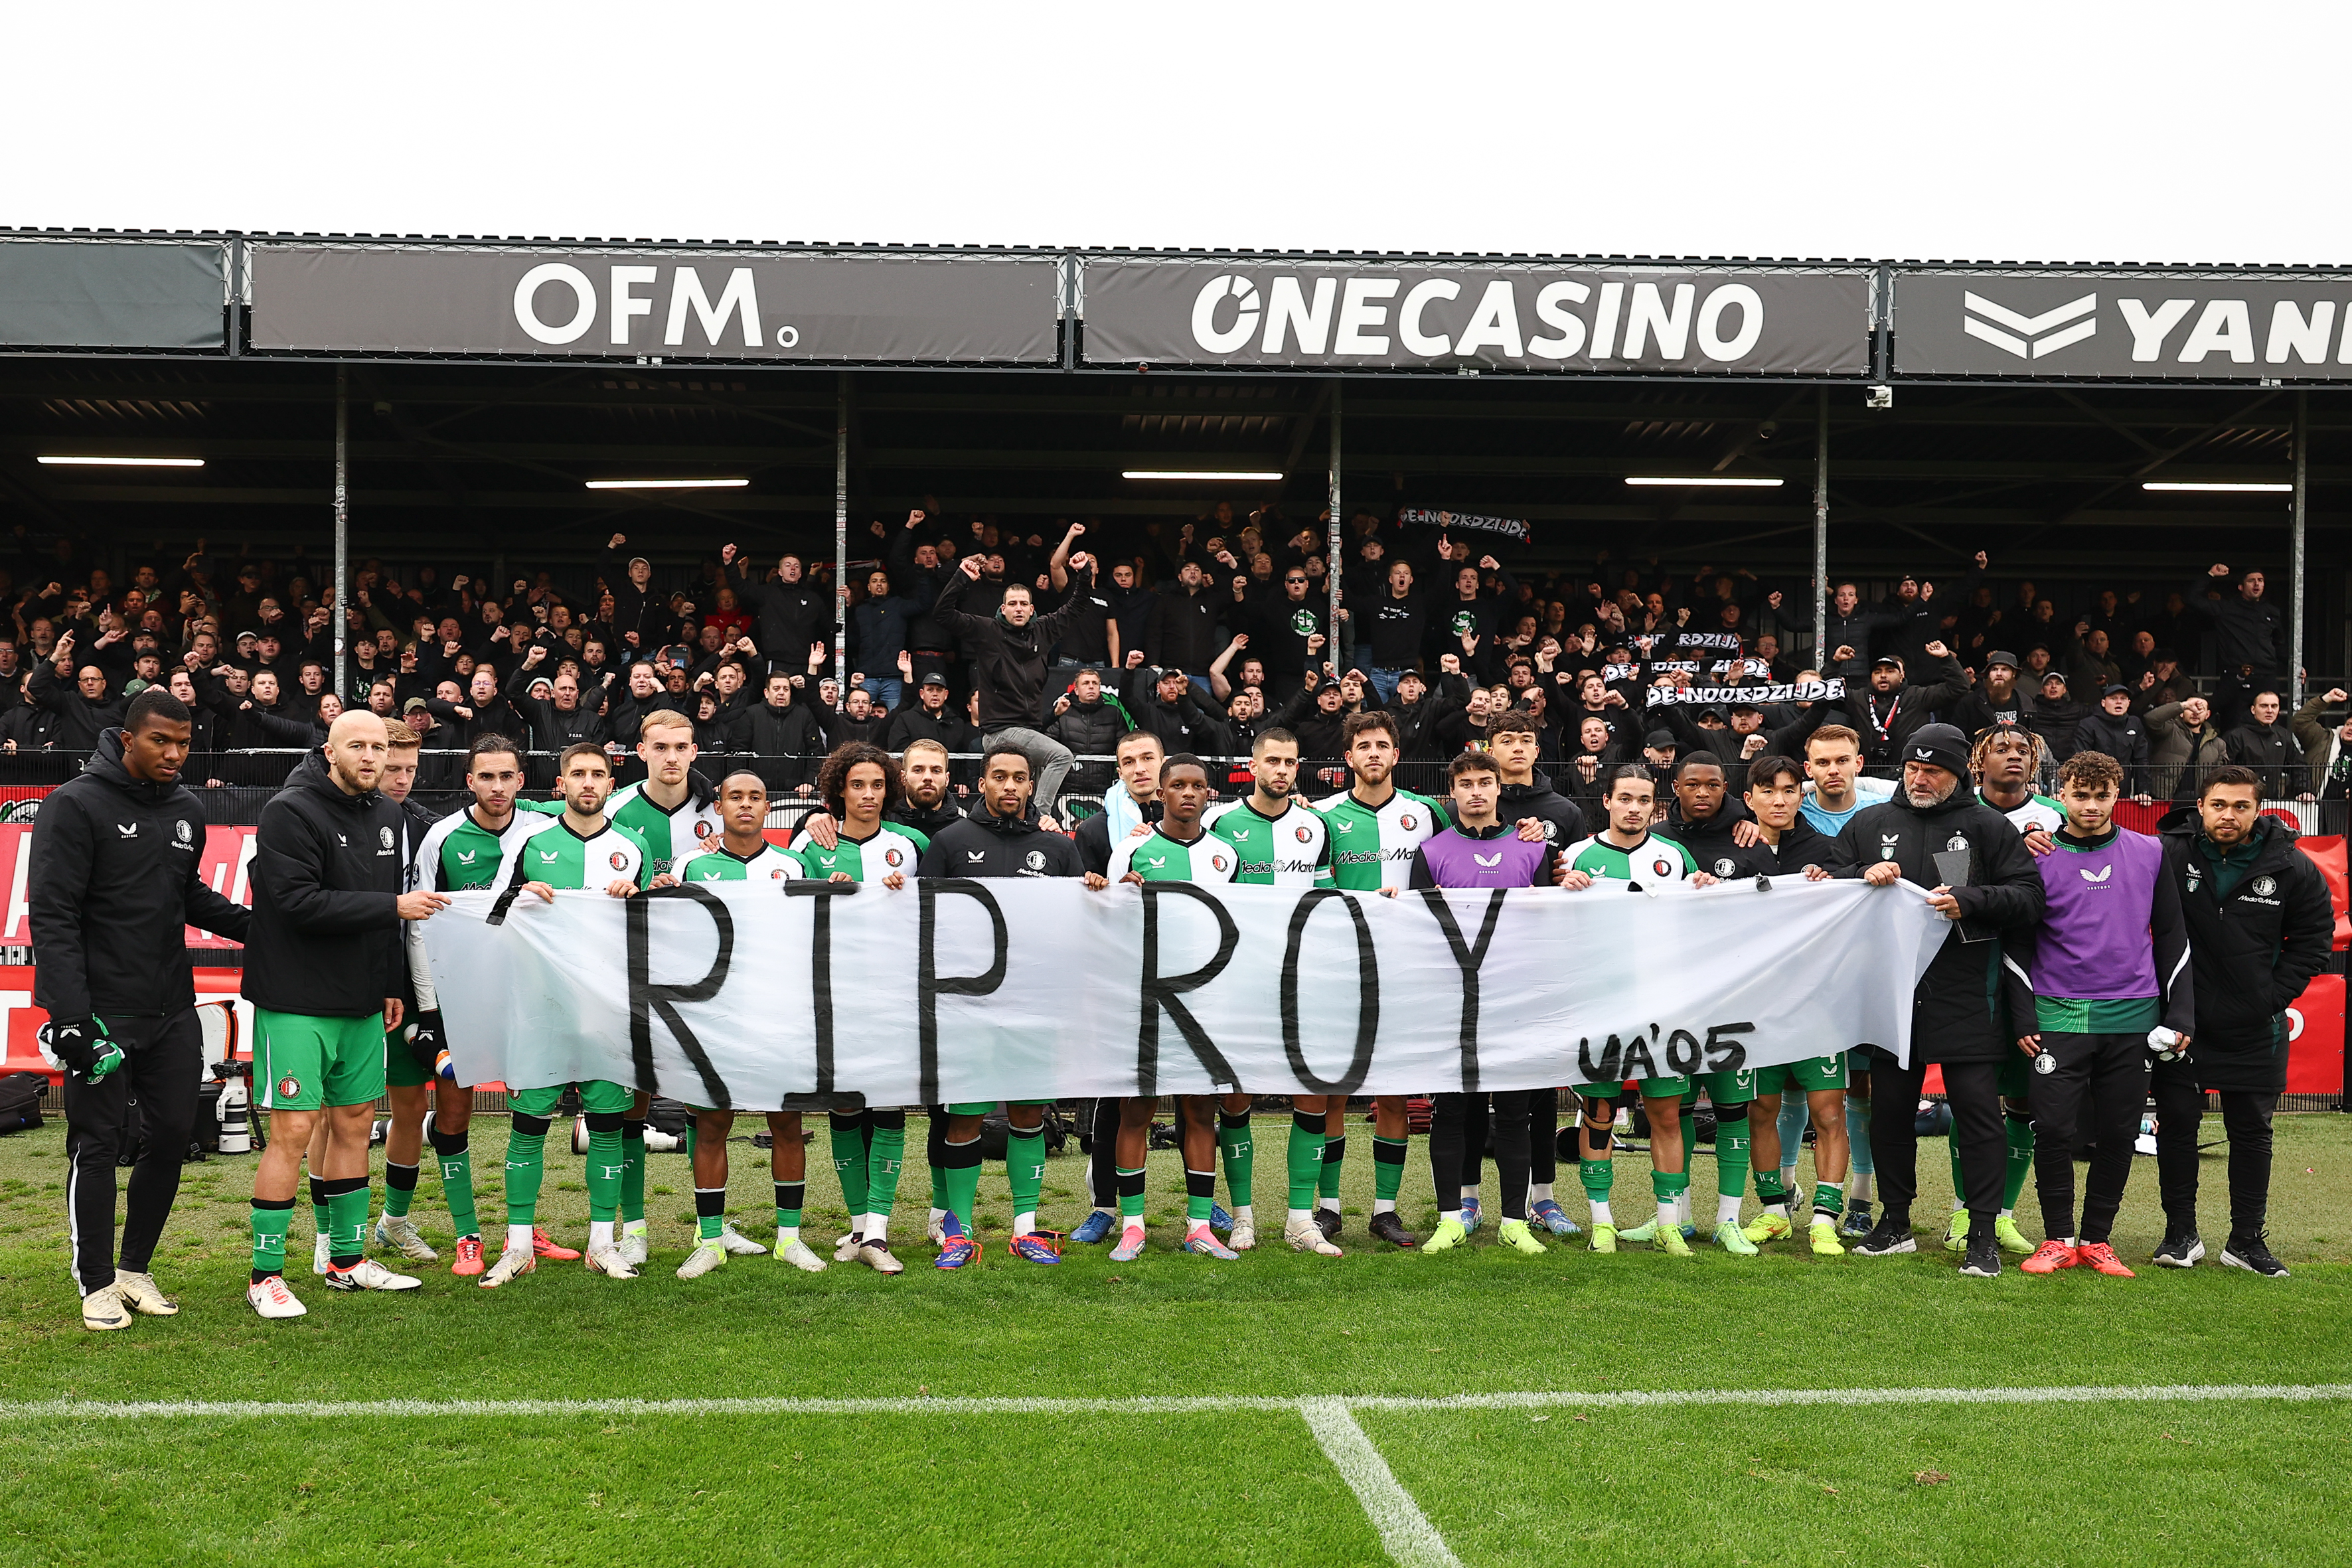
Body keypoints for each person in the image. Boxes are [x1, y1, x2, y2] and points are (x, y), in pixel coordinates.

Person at [29, 688, 252, 1330]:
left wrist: (268, 927)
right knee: (97, 1143)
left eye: (184, 743)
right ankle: (95, 1281)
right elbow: (53, 916)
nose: (175, 754)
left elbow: (190, 897)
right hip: (101, 1012)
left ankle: (134, 1268)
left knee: (175, 1137)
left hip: (171, 1008)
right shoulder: (73, 805)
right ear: (127, 739)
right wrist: (70, 1016)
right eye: (162, 741)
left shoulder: (185, 807)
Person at [242, 711, 446, 1318]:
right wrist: (393, 904)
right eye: (356, 745)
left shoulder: (387, 816)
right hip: (296, 1002)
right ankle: (265, 1275)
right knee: (294, 1132)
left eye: (378, 747)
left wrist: (388, 984)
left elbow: (388, 921)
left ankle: (347, 1262)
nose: (370, 756)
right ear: (329, 751)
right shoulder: (289, 811)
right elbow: (296, 902)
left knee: (357, 1122)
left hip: (360, 1002)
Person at [1831, 722, 2045, 1279]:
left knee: (1976, 1113)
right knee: (1890, 1111)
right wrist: (1860, 873)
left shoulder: (1985, 827)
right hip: (1892, 991)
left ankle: (1980, 1232)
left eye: (1933, 770)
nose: (1920, 779)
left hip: (1965, 991)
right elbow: (1824, 878)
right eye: (1912, 768)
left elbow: (2028, 899)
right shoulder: (1871, 822)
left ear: (1959, 775)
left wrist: (1970, 900)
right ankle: (1894, 1221)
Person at [2000, 749, 2194, 1280]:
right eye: (2079, 795)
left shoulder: (2150, 852)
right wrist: (2022, 1016)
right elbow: (2015, 943)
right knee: (2054, 1130)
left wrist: (2180, 1015)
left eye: (2100, 795)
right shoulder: (2034, 855)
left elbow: (2173, 938)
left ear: (2118, 795)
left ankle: (2097, 1240)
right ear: (2059, 794)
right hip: (2056, 1016)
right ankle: (2057, 1238)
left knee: (2116, 1132)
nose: (2090, 805)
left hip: (2132, 1018)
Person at [481, 743, 653, 1286]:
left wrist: (637, 899)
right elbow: (489, 915)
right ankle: (517, 1246)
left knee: (606, 1126)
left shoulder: (634, 846)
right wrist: (519, 895)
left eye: (597, 774)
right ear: (560, 783)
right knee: (528, 1125)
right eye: (577, 773)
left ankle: (603, 1244)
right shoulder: (531, 842)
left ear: (610, 783)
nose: (587, 783)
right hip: (541, 1009)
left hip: (607, 1011)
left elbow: (659, 934)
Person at [2152, 767, 2333, 1277]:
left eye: (2239, 806)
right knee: (2178, 1129)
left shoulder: (2292, 866)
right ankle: (2179, 1234)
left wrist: (2268, 998)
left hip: (2255, 1025)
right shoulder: (2167, 853)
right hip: (2181, 1023)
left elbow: (2315, 941)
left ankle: (2246, 1240)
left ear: (2258, 810)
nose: (2227, 815)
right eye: (2217, 805)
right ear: (2200, 806)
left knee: (2251, 1131)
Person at [400, 736, 566, 1277]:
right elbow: (420, 923)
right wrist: (428, 1012)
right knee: (454, 1112)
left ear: (523, 781)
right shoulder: (442, 837)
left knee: (531, 1108)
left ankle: (523, 1231)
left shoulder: (544, 831)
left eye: (507, 777)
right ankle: (467, 1236)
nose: (497, 787)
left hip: (524, 995)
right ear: (469, 781)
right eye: (486, 777)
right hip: (458, 997)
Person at [916, 745, 1086, 1268]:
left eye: (1019, 778)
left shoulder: (1056, 849)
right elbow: (921, 918)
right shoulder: (949, 842)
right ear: (981, 783)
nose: (1010, 786)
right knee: (964, 1114)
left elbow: (1079, 922)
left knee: (1027, 1115)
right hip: (966, 1006)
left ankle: (1025, 1228)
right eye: (999, 777)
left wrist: (1097, 890)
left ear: (1031, 786)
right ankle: (958, 1231)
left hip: (1034, 1003)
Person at [1556, 764, 1719, 1254]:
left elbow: (1701, 923)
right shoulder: (1575, 858)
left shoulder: (1673, 856)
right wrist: (1560, 892)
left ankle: (1668, 1222)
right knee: (1599, 1113)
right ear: (1606, 801)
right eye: (1624, 798)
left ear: (1655, 806)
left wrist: (1709, 892)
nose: (1633, 807)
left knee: (1666, 1115)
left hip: (1661, 1007)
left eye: (1643, 800)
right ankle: (1601, 1222)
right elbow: (1545, 928)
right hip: (1599, 1007)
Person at [671, 769, 828, 1276]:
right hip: (715, 1016)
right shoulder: (692, 864)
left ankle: (789, 1238)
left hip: (779, 1014)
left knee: (787, 1122)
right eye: (734, 797)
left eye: (755, 797)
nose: (745, 805)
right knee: (712, 1123)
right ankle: (711, 1240)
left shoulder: (792, 863)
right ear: (718, 807)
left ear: (768, 808)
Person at [1411, 750, 1559, 1257]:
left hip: (1514, 999)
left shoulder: (1531, 849)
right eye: (1466, 783)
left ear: (1499, 788)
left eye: (1484, 782)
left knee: (1514, 1112)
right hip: (1452, 1002)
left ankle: (1514, 1221)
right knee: (1451, 1111)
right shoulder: (1430, 852)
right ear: (1451, 791)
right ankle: (1450, 1218)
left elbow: (1546, 926)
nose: (1476, 791)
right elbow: (1414, 931)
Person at [791, 742, 925, 1275]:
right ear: (838, 791)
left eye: (876, 785)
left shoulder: (911, 843)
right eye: (856, 785)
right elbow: (789, 908)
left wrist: (903, 894)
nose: (867, 795)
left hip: (894, 995)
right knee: (844, 1107)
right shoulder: (810, 842)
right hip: (831, 996)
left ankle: (879, 1229)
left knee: (888, 1106)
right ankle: (855, 1225)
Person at [1311, 711, 1444, 1248]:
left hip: (1407, 972)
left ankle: (1384, 1212)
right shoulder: (1321, 817)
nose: (1372, 754)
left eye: (1381, 745)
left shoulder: (1427, 812)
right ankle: (1326, 1208)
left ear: (1395, 755)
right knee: (1333, 1095)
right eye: (1362, 746)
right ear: (1348, 758)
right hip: (1342, 970)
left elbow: (1469, 856)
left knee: (1393, 1094)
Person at [1100, 753, 1240, 1262]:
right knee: (1136, 1109)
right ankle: (1132, 1226)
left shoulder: (1225, 855)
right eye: (1176, 785)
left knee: (1200, 1110)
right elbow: (1106, 920)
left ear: (1209, 794)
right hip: (1143, 998)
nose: (1187, 793)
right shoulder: (1131, 849)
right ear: (1158, 794)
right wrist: (1120, 894)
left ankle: (1199, 1227)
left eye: (1197, 786)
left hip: (1206, 1000)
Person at [1710, 754, 1849, 1257]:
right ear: (1748, 799)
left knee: (1828, 1112)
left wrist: (1839, 879)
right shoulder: (1729, 851)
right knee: (1761, 1109)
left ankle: (1825, 1218)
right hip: (1754, 1009)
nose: (1779, 799)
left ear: (1800, 795)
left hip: (1817, 1006)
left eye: (1789, 790)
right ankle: (1773, 1212)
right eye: (1767, 791)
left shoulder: (1827, 851)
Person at [1205, 728, 1334, 1256]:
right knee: (1236, 1100)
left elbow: (1327, 899)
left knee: (1313, 1095)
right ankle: (1242, 1219)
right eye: (1273, 761)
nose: (1282, 770)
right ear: (1252, 765)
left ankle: (1300, 1220)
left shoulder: (1314, 825)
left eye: (1290, 762)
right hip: (1239, 981)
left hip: (1303, 980)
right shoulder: (1219, 823)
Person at [601, 708, 724, 1262]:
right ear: (640, 752)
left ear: (694, 751)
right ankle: (636, 1229)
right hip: (635, 973)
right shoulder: (615, 809)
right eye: (661, 747)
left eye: (682, 747)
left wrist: (817, 819)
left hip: (705, 976)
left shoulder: (716, 808)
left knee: (705, 1099)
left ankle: (711, 1230)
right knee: (635, 1101)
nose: (672, 757)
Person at [930, 530, 1101, 820]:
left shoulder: (1043, 630)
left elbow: (1077, 606)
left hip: (1029, 732)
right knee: (1061, 756)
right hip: (999, 732)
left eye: (1024, 604)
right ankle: (1041, 817)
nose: (1019, 608)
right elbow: (943, 614)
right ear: (1003, 608)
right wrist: (961, 577)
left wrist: (1084, 572)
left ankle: (992, 823)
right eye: (1013, 604)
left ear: (1032, 609)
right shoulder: (988, 631)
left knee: (1018, 802)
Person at [1797, 723, 1893, 1235]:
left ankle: (1859, 1196)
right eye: (1822, 762)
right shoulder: (1790, 806)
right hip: (1807, 969)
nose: (1832, 770)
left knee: (1862, 1084)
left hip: (1871, 968)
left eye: (1842, 760)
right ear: (1807, 768)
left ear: (1859, 762)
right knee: (1796, 1083)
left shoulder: (1887, 806)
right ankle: (1785, 1189)